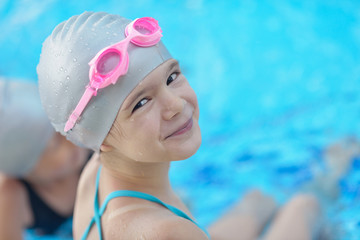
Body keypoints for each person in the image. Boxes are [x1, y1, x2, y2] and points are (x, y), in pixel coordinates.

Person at [37, 11, 323, 240]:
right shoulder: (167, 231)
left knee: (257, 201)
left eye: (171, 77)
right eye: (140, 103)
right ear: (99, 137)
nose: (175, 105)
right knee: (305, 205)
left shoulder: (95, 173)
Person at [0, 78, 90, 239]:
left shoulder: (90, 152)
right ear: (26, 168)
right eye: (55, 144)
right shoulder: (12, 195)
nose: (69, 140)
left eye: (66, 126)